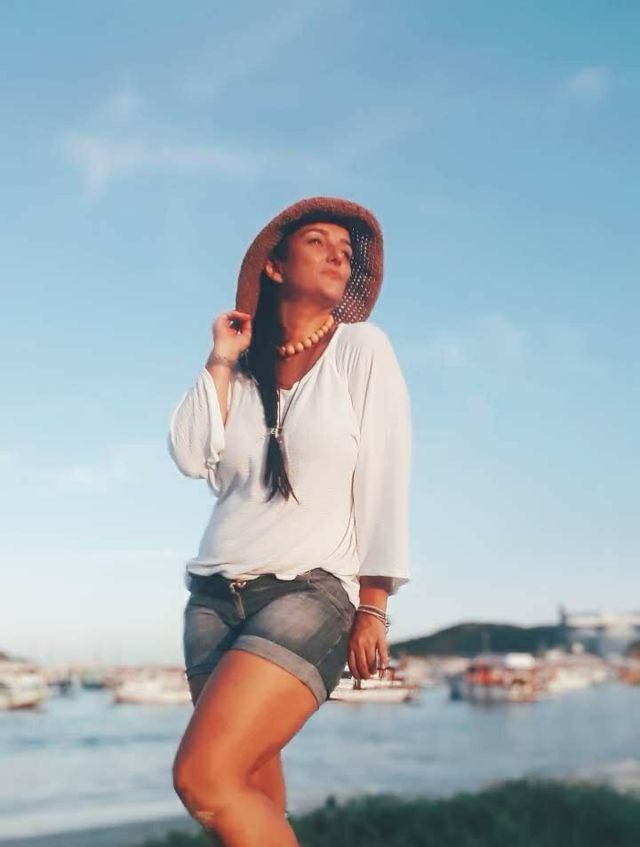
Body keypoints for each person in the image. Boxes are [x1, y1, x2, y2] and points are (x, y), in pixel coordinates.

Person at [167, 196, 412, 846]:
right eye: (317, 242)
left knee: (203, 778)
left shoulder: (362, 349)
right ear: (274, 266)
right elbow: (191, 455)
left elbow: (386, 477)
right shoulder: (241, 371)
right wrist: (221, 356)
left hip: (309, 592)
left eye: (346, 250)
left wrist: (375, 604)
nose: (338, 255)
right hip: (212, 600)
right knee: (250, 800)